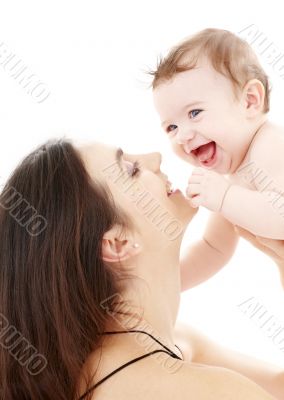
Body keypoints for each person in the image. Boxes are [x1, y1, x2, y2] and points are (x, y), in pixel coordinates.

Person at [0, 138, 282, 399]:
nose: (156, 157)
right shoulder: (210, 391)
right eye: (132, 170)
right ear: (118, 243)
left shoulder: (164, 345)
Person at [151, 28, 284, 291]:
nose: (182, 136)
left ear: (249, 101)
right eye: (171, 127)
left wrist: (224, 197)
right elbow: (213, 249)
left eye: (195, 112)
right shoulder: (234, 180)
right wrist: (162, 286)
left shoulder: (270, 145)